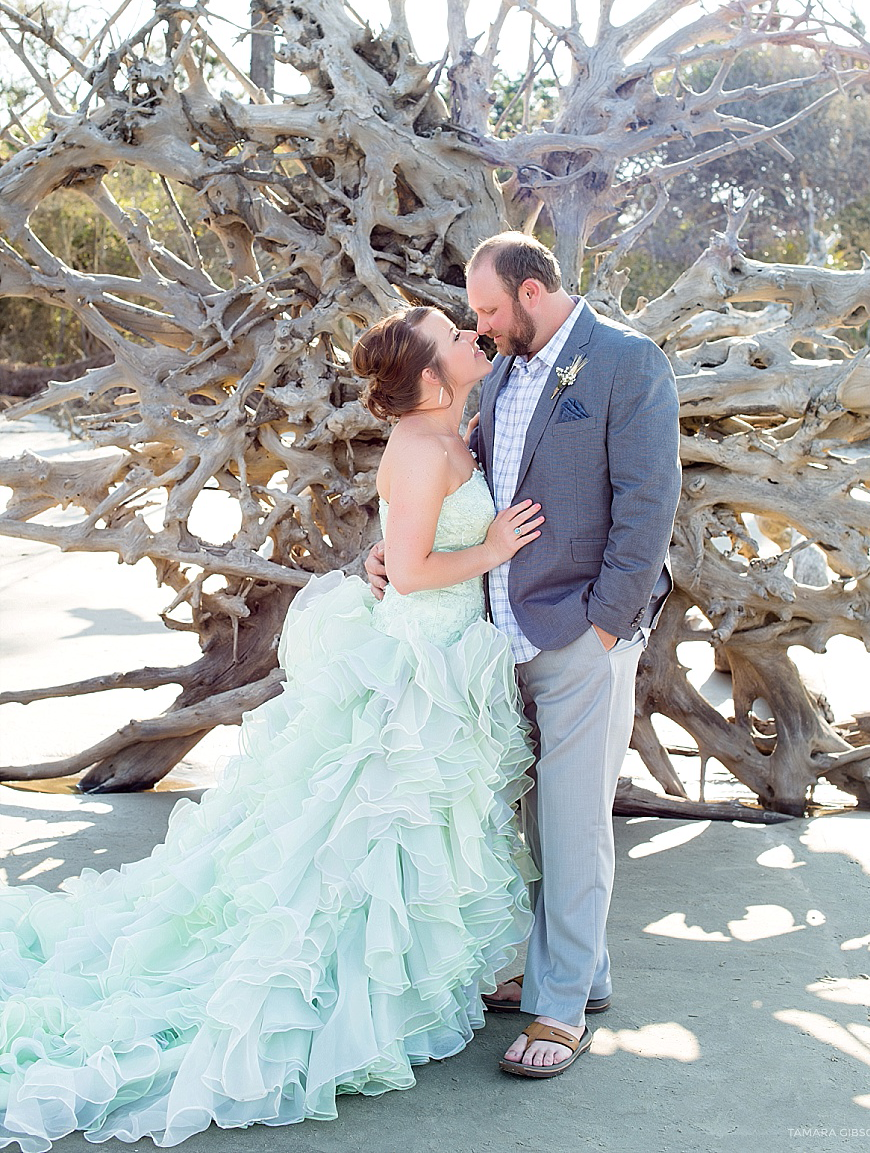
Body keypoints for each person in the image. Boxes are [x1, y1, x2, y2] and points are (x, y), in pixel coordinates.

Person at [0, 305, 544, 1151]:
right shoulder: (421, 445)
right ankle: (343, 995)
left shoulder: (460, 426)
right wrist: (494, 548)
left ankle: (411, 979)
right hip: (414, 659)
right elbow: (407, 571)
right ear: (434, 378)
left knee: (423, 829)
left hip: (450, 652)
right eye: (458, 336)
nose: (475, 337)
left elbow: (401, 544)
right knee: (362, 832)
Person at [367, 231, 681, 1077]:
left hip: (579, 631)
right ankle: (583, 971)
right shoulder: (500, 369)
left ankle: (559, 1012)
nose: (482, 324)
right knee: (533, 819)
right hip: (492, 635)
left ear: (533, 291)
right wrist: (392, 550)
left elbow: (650, 505)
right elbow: (460, 488)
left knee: (574, 820)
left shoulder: (626, 361)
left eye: (490, 308)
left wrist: (605, 625)